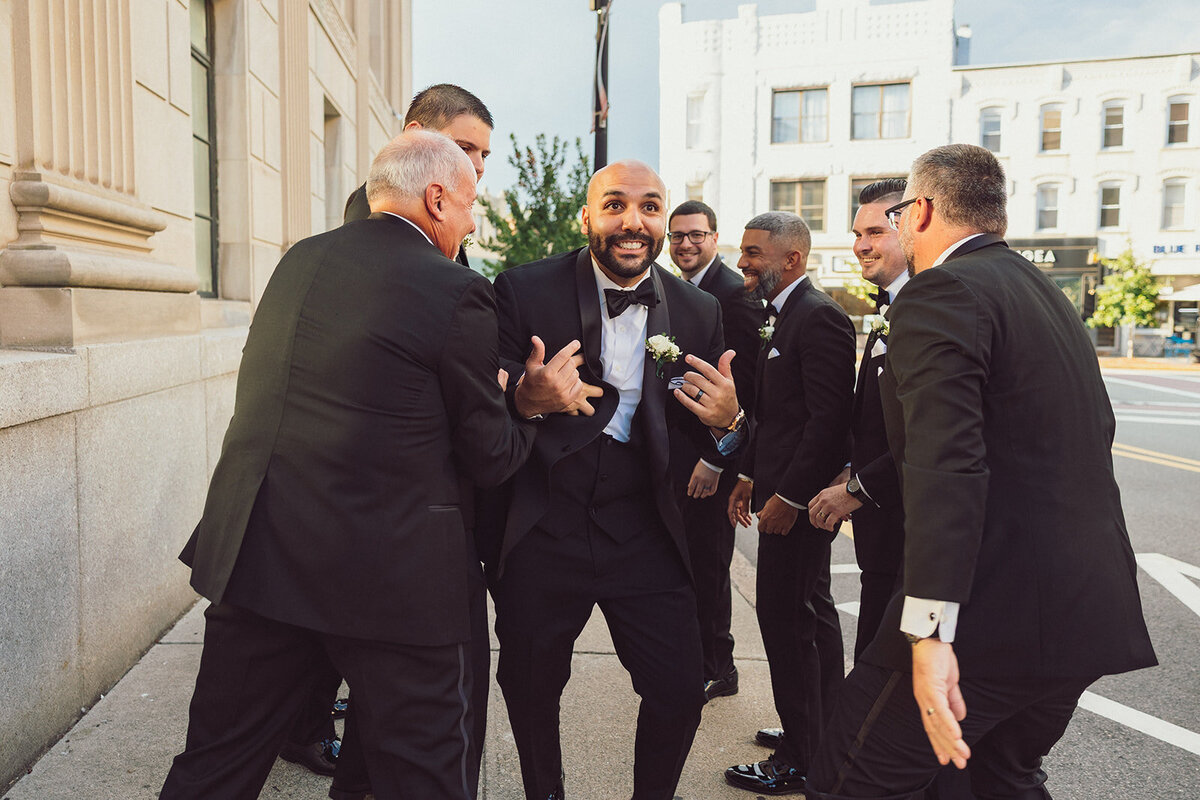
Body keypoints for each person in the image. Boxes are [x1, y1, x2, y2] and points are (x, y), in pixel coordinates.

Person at [158, 130, 581, 800]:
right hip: (394, 581)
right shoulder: (457, 291)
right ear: (436, 199)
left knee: (215, 767)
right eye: (470, 204)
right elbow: (490, 457)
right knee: (424, 778)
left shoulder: (299, 260)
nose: (472, 220)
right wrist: (529, 403)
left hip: (260, 555)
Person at [804, 144, 1157, 799]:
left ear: (925, 210)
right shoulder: (1043, 291)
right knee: (997, 780)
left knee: (848, 778)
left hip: (985, 618)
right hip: (1081, 608)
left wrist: (932, 635)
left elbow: (946, 464)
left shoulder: (942, 290)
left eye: (902, 212)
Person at [481, 160, 746, 800]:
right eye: (616, 205)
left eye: (650, 207)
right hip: (545, 521)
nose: (634, 222)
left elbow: (717, 424)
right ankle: (545, 791)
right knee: (529, 680)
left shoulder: (699, 308)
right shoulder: (523, 288)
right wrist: (523, 391)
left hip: (646, 527)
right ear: (589, 217)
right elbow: (481, 377)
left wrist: (727, 425)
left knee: (680, 687)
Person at [327, 81, 496, 799]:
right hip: (387, 521)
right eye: (464, 150)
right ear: (414, 138)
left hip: (389, 519)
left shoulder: (444, 247)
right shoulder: (372, 231)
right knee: (430, 715)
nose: (475, 171)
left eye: (483, 156)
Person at [724, 212, 856, 795]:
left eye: (754, 253)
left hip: (797, 508)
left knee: (786, 624)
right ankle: (817, 733)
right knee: (810, 617)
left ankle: (802, 760)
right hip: (778, 488)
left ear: (792, 259)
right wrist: (751, 473)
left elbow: (829, 424)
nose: (744, 263)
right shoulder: (780, 316)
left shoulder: (819, 317)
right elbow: (778, 414)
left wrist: (790, 499)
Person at [808, 178, 910, 659]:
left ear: (910, 224)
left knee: (883, 675)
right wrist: (851, 467)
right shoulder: (891, 304)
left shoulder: (930, 305)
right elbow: (875, 415)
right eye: (856, 234)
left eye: (874, 232)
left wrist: (859, 488)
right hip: (881, 535)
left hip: (912, 534)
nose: (860, 246)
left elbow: (925, 434)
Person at [666, 200, 762, 703]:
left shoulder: (732, 295)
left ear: (714, 237)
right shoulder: (676, 292)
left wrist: (716, 459)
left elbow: (742, 389)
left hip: (713, 459)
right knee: (686, 563)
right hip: (678, 457)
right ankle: (698, 659)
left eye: (696, 235)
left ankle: (718, 667)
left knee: (708, 564)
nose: (685, 244)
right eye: (677, 235)